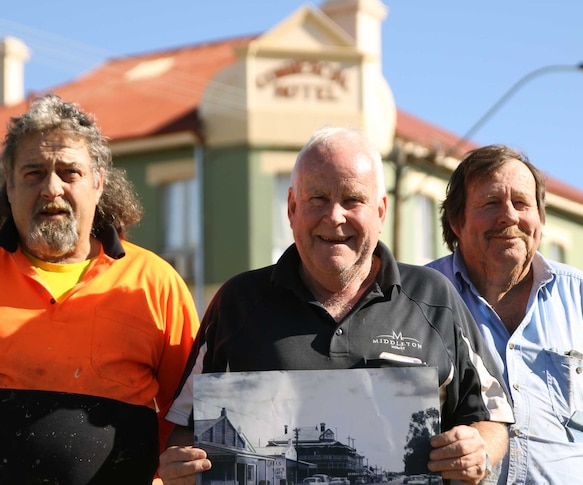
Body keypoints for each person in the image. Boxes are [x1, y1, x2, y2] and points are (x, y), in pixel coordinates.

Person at [157, 127, 514, 485]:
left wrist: (478, 449)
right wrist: (182, 467)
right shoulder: (237, 302)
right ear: (292, 208)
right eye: (318, 199)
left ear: (381, 211)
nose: (334, 216)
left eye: (353, 200)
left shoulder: (434, 297)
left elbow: (492, 416)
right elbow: (186, 429)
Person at [0, 94, 201, 484]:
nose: (51, 188)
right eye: (33, 173)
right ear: (9, 187)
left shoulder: (155, 282)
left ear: (98, 184)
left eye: (69, 173)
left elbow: (189, 412)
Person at [426, 144, 583, 484]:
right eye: (490, 203)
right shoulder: (421, 300)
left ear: (540, 219)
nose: (509, 216)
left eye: (521, 203)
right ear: (457, 221)